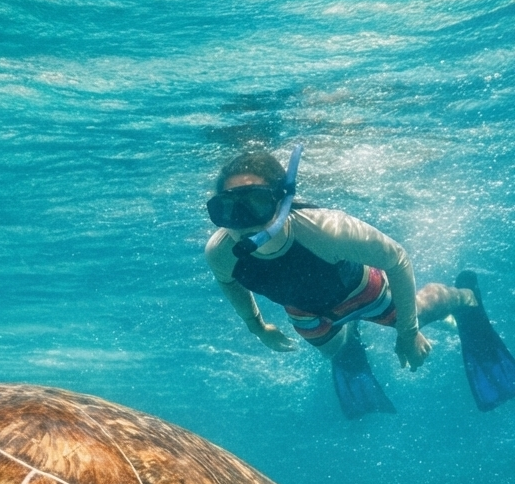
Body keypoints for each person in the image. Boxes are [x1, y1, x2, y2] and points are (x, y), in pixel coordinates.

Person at [204, 146, 515, 416]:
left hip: (362, 292)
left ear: (283, 200)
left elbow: (397, 259)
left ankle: (465, 296)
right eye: (227, 209)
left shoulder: (327, 231)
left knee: (417, 313)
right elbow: (229, 282)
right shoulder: (221, 252)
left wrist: (408, 333)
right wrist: (257, 327)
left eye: (256, 203)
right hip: (305, 313)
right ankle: (349, 334)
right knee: (335, 352)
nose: (242, 222)